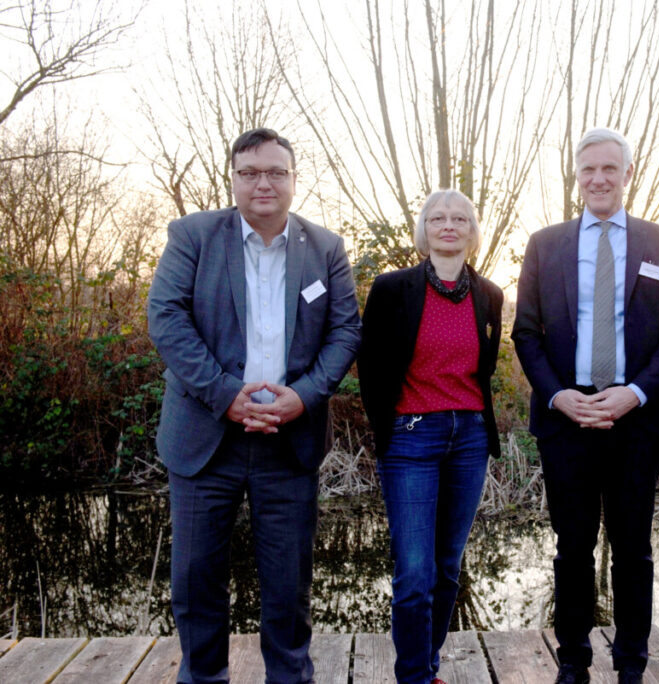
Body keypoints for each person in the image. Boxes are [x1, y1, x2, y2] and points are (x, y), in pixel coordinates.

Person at [148, 128, 361, 683]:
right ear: (233, 178)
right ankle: (204, 678)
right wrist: (225, 395)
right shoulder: (193, 235)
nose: (263, 183)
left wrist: (305, 396)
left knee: (289, 583)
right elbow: (167, 320)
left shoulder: (326, 248)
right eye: (250, 173)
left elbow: (344, 333)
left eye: (275, 172)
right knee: (196, 578)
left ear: (293, 178)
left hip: (288, 441)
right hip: (205, 438)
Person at [512, 128, 659, 684]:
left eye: (609, 169)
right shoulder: (546, 244)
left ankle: (632, 663)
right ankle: (573, 660)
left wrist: (634, 393)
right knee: (572, 548)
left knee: (634, 547)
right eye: (588, 169)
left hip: (636, 419)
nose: (598, 179)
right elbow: (525, 333)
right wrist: (559, 395)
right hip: (567, 418)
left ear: (627, 174)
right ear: (577, 175)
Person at [358, 189, 503, 684]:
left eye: (459, 218)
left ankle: (429, 665)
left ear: (471, 230)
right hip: (411, 437)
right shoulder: (392, 288)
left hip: (469, 438)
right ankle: (413, 677)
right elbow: (371, 366)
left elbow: (484, 371)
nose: (448, 225)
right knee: (414, 574)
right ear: (424, 228)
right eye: (437, 217)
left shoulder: (489, 295)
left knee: (446, 568)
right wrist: (389, 425)